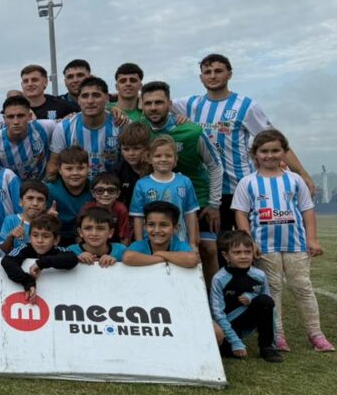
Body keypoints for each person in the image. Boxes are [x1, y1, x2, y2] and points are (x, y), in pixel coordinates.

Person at [175, 53, 316, 236]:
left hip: (241, 187)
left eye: (218, 71)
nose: (212, 76)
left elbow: (275, 141)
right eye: (207, 72)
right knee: (217, 244)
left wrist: (302, 173)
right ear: (201, 77)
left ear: (229, 74)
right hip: (209, 191)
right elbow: (150, 101)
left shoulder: (247, 106)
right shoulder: (190, 104)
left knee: (250, 241)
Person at [231, 129, 332, 352]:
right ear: (255, 154)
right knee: (272, 289)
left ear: (284, 152)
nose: (270, 155)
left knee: (302, 286)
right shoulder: (247, 182)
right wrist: (249, 243)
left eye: (275, 150)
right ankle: (277, 335)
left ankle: (316, 334)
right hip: (264, 246)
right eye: (264, 151)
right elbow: (241, 214)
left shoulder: (295, 180)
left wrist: (312, 239)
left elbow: (307, 210)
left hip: (295, 244)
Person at [140, 80, 223, 276]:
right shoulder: (140, 130)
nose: (153, 107)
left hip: (196, 197)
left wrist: (214, 204)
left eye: (159, 102)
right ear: (142, 105)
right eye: (148, 103)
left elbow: (215, 166)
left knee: (208, 250)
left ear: (169, 104)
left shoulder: (192, 131)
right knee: (159, 248)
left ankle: (212, 295)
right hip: (156, 197)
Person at [210, 230, 283, 362]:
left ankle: (267, 347)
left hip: (246, 318)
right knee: (227, 353)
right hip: (227, 323)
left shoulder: (259, 275)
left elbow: (269, 307)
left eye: (247, 252)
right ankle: (234, 340)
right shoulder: (219, 279)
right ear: (226, 256)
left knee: (266, 301)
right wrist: (235, 341)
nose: (243, 256)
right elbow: (217, 314)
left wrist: (251, 297)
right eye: (237, 252)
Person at [130, 136, 200, 247]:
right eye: (158, 156)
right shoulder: (141, 184)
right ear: (149, 158)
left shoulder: (184, 181)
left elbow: (190, 213)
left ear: (175, 158)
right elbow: (138, 216)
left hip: (179, 240)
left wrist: (192, 242)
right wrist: (139, 244)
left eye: (168, 156)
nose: (163, 159)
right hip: (151, 242)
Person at [48, 76, 121, 178]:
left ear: (107, 98)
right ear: (78, 100)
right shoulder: (63, 128)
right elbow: (53, 164)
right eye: (85, 96)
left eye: (96, 95)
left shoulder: (121, 124)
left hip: (112, 186)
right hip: (75, 186)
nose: (90, 101)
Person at [0, 213, 79, 301]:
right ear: (30, 238)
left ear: (56, 240)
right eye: (35, 235)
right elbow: (7, 261)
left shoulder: (59, 250)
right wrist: (27, 281)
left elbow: (72, 258)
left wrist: (41, 264)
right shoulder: (25, 247)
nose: (40, 240)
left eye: (46, 236)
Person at [0, 95, 57, 181]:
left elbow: (65, 125)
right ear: (4, 119)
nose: (16, 122)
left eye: (20, 116)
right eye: (10, 117)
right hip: (11, 187)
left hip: (42, 185)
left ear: (30, 116)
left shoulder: (44, 127)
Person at [122, 202, 200, 268]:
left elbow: (192, 260)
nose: (157, 230)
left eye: (164, 225)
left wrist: (160, 253)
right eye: (151, 224)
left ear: (175, 228)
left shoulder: (179, 246)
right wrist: (161, 258)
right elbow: (127, 257)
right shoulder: (140, 245)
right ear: (145, 227)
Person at [46, 145, 93, 242]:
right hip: (56, 237)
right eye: (69, 169)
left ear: (88, 168)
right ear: (59, 169)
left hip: (87, 237)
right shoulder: (49, 190)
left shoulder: (95, 189)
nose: (75, 173)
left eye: (80, 168)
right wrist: (46, 216)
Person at [0, 180, 49, 254]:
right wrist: (11, 236)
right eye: (30, 198)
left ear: (45, 205)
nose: (35, 203)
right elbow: (1, 251)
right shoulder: (11, 220)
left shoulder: (48, 223)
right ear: (20, 201)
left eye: (40, 199)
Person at [82, 173, 131, 244]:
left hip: (114, 244)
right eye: (100, 190)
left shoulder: (121, 209)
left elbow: (125, 235)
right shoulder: (87, 208)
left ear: (118, 194)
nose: (105, 194)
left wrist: (122, 250)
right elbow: (80, 233)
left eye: (111, 190)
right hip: (91, 243)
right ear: (93, 193)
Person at [116, 122, 151, 208]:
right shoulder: (117, 170)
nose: (131, 153)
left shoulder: (156, 168)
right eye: (126, 149)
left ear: (147, 148)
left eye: (136, 148)